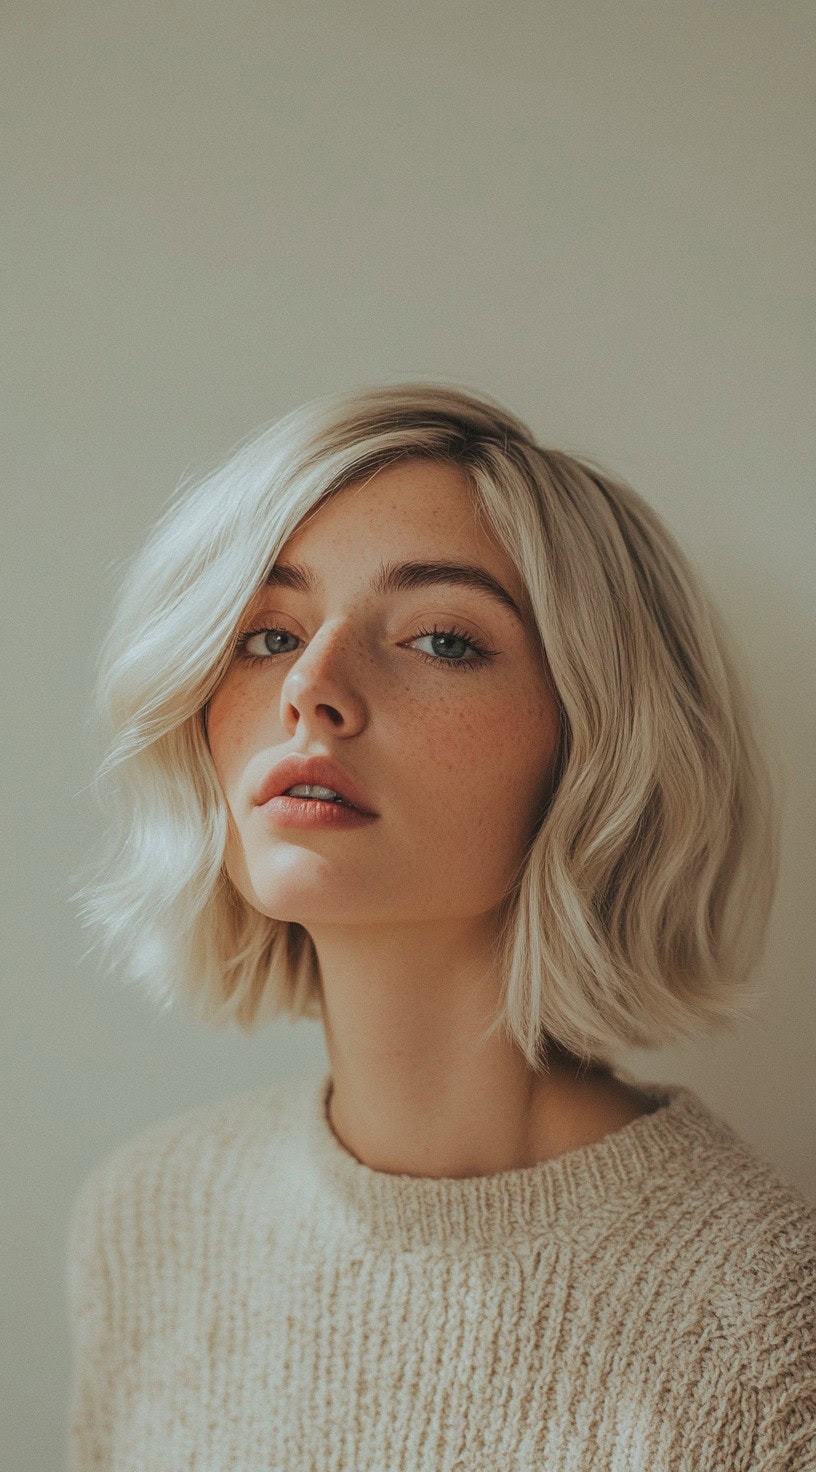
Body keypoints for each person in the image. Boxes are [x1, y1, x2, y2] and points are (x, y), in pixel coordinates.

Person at [65, 383, 815, 1470]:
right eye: (268, 631)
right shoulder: (146, 1221)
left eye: (441, 641)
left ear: (594, 741)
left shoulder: (759, 1328)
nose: (311, 688)